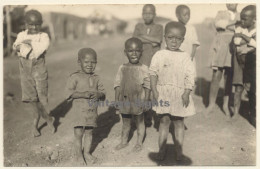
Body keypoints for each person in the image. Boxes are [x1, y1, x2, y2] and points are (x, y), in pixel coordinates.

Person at [150, 21, 195, 161]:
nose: (174, 41)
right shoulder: (159, 54)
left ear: (183, 39)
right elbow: (153, 73)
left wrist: (186, 92)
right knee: (164, 121)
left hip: (179, 94)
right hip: (163, 92)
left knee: (179, 122)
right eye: (170, 37)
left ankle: (179, 152)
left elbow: (190, 76)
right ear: (165, 37)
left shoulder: (186, 57)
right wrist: (154, 91)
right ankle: (161, 150)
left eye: (178, 38)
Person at [13, 10, 55, 137]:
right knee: (31, 98)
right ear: (26, 24)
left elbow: (42, 47)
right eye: (31, 24)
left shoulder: (44, 36)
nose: (34, 27)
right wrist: (23, 46)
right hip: (24, 69)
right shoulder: (21, 34)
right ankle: (38, 123)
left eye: (37, 24)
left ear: (41, 24)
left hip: (39, 67)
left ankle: (48, 119)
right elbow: (16, 46)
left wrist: (29, 44)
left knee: (42, 97)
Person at [65, 48, 106, 165]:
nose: (90, 65)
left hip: (91, 111)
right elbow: (68, 93)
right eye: (86, 62)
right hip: (79, 111)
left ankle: (87, 153)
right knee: (78, 134)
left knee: (89, 133)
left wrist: (98, 94)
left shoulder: (96, 78)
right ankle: (79, 156)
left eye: (93, 62)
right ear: (79, 62)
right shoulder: (74, 77)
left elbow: (103, 93)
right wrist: (82, 94)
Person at [114, 37, 151, 152]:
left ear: (141, 52)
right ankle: (124, 141)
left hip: (138, 100)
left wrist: (146, 100)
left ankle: (139, 143)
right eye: (130, 51)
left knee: (140, 122)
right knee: (125, 123)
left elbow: (147, 86)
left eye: (137, 50)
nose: (134, 54)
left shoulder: (144, 68)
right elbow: (118, 85)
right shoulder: (122, 68)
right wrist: (117, 100)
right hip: (125, 101)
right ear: (125, 52)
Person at [205, 4, 240, 117]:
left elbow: (239, 28)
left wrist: (228, 25)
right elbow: (219, 24)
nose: (231, 3)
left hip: (233, 46)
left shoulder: (240, 15)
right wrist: (235, 24)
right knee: (216, 75)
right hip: (220, 45)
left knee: (229, 76)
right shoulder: (221, 13)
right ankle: (211, 104)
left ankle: (225, 104)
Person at [133, 4, 163, 126]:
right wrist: (152, 39)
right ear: (142, 14)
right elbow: (135, 39)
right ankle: (144, 115)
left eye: (150, 13)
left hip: (154, 62)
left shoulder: (159, 27)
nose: (147, 15)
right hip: (142, 61)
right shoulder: (138, 26)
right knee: (142, 89)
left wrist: (143, 37)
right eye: (145, 13)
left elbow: (159, 40)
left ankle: (153, 114)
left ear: (155, 14)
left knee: (153, 89)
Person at [232, 5, 256, 125]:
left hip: (251, 62)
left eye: (245, 19)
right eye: (241, 18)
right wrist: (248, 39)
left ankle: (253, 114)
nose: (242, 21)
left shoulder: (257, 29)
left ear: (254, 19)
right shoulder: (239, 28)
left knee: (251, 89)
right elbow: (236, 41)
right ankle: (236, 113)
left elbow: (256, 45)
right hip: (238, 60)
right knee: (238, 87)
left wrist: (243, 38)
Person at [176, 5, 200, 77]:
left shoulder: (191, 28)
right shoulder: (174, 28)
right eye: (184, 15)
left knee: (189, 78)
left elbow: (195, 44)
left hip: (189, 58)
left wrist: (191, 57)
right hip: (176, 59)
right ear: (178, 15)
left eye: (188, 14)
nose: (187, 17)